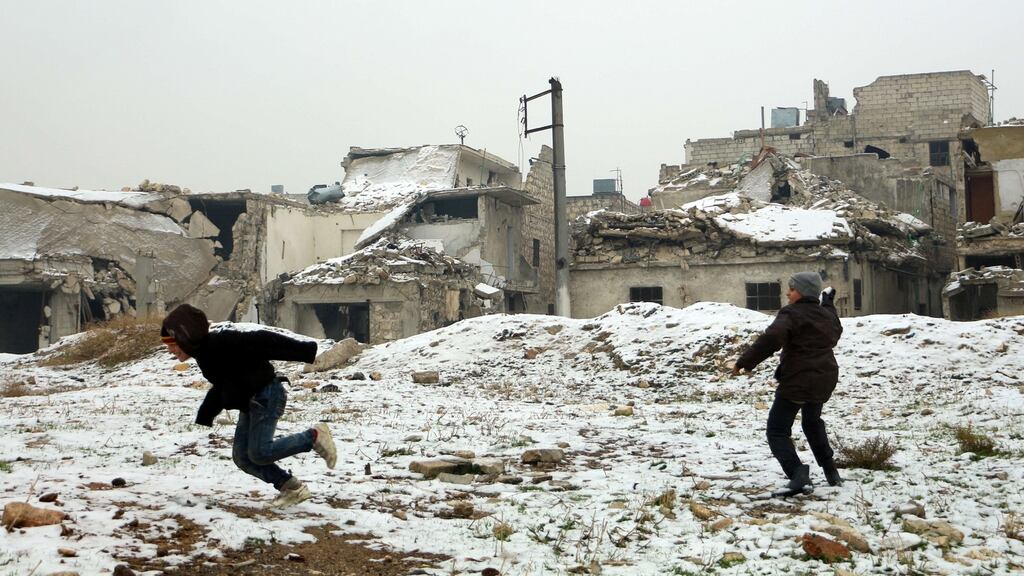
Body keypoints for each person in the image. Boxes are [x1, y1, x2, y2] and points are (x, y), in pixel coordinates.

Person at [161, 304, 337, 508]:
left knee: (260, 452)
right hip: (252, 401)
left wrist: (303, 351)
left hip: (267, 394)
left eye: (172, 344)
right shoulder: (205, 355)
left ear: (186, 337)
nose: (170, 351)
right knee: (242, 457)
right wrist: (206, 414)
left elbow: (261, 340)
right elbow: (222, 384)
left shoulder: (222, 341)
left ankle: (313, 437)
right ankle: (291, 487)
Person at [732, 272, 844, 490]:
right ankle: (831, 471)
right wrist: (828, 303)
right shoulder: (826, 315)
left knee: (777, 430)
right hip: (825, 377)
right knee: (812, 423)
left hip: (798, 379)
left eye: (791, 289)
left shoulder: (792, 313)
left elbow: (772, 339)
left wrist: (745, 362)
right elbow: (835, 328)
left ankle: (797, 473)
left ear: (801, 292)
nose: (787, 293)